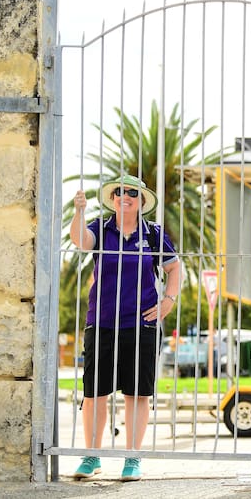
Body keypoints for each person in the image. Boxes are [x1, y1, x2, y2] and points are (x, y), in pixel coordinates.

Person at [69, 175, 181, 481]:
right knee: (94, 393)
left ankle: (132, 457)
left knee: (137, 393)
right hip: (102, 321)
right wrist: (79, 211)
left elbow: (174, 266)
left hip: (142, 323)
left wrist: (169, 300)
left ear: (142, 200)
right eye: (120, 192)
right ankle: (92, 456)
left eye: (133, 192)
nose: (126, 196)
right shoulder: (100, 228)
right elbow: (81, 241)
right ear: (112, 198)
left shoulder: (154, 233)